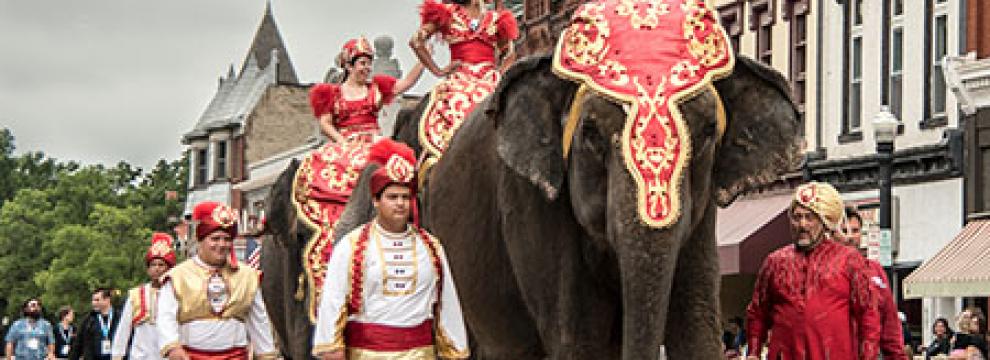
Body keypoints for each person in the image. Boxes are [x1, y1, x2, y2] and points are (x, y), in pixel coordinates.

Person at [295, 36, 425, 321]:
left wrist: (424, 60)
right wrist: (343, 142)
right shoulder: (332, 93)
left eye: (369, 63)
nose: (367, 68)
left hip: (376, 143)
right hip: (347, 144)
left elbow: (405, 86)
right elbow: (326, 123)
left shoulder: (376, 88)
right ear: (349, 65)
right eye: (362, 63)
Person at [312, 139, 469, 359]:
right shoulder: (350, 246)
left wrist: (455, 350)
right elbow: (333, 302)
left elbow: (448, 305)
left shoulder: (432, 248)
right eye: (392, 197)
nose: (400, 203)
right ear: (376, 201)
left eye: (405, 197)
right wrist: (332, 350)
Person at [745, 181, 880, 360]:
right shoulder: (774, 262)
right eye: (797, 217)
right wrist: (753, 353)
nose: (802, 224)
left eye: (810, 217)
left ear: (824, 222)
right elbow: (758, 312)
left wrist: (868, 356)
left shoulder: (849, 260)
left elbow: (868, 315)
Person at [156, 201, 276, 360]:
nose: (221, 245)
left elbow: (259, 321)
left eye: (226, 239)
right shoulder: (178, 276)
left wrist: (266, 354)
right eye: (215, 238)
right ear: (201, 240)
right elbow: (165, 317)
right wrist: (172, 347)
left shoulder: (247, 276)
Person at [410, 0, 519, 162]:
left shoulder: (496, 19)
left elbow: (510, 53)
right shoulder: (448, 13)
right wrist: (438, 70)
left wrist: (502, 75)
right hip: (460, 82)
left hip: (491, 82)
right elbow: (416, 41)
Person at [838, 206, 908, 360]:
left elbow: (890, 327)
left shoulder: (875, 270)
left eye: (855, 230)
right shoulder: (824, 272)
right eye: (844, 230)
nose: (850, 236)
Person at [111, 232, 176, 360]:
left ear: (169, 268)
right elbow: (124, 327)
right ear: (148, 269)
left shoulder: (178, 294)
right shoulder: (136, 294)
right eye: (153, 265)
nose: (157, 269)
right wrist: (117, 354)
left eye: (161, 265)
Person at [69, 289, 121, 360]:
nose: (94, 303)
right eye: (93, 300)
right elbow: (77, 344)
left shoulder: (120, 318)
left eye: (97, 300)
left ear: (107, 300)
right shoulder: (88, 320)